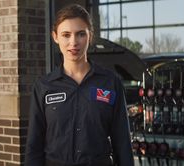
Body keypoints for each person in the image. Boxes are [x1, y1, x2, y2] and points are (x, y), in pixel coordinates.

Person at [25, 4, 134, 166]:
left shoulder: (110, 83)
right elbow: (34, 146)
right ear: (55, 37)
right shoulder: (44, 87)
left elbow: (123, 142)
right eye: (66, 35)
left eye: (81, 34)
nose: (73, 42)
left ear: (90, 36)